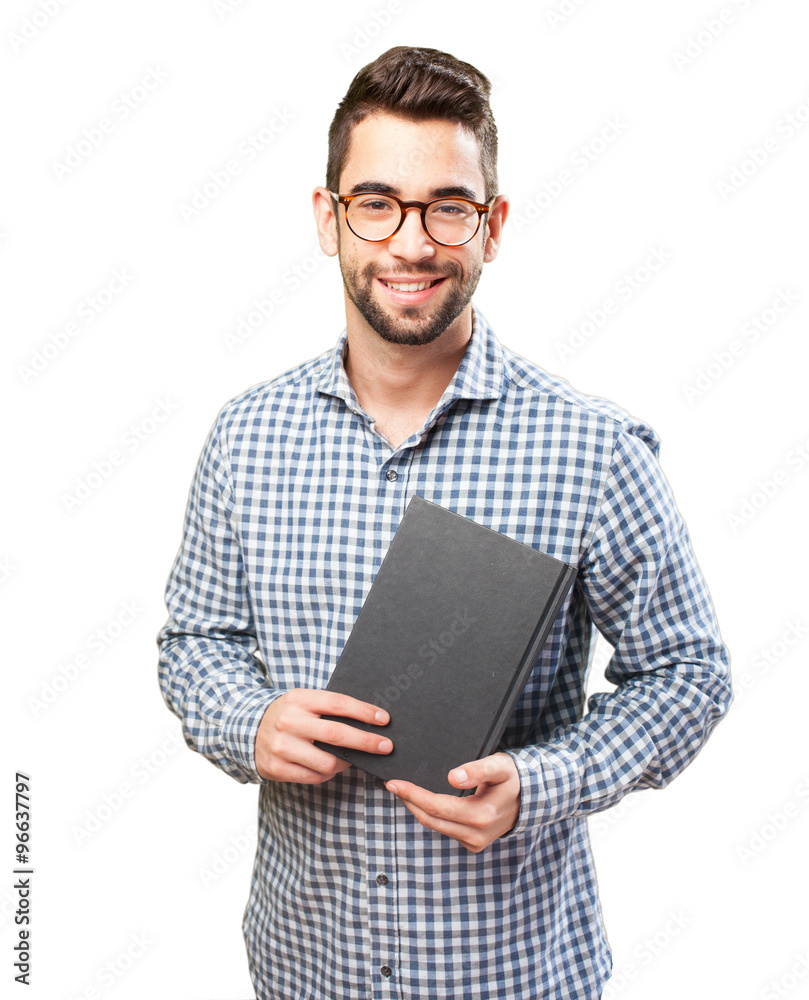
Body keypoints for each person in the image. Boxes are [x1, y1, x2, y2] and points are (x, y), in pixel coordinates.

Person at [157, 46, 732, 1000]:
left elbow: (687, 674)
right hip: (305, 970)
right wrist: (244, 719)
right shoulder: (245, 437)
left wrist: (541, 784)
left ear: (492, 225)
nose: (411, 243)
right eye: (376, 202)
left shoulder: (591, 450)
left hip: (510, 976)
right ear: (327, 218)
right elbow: (195, 642)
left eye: (447, 207)